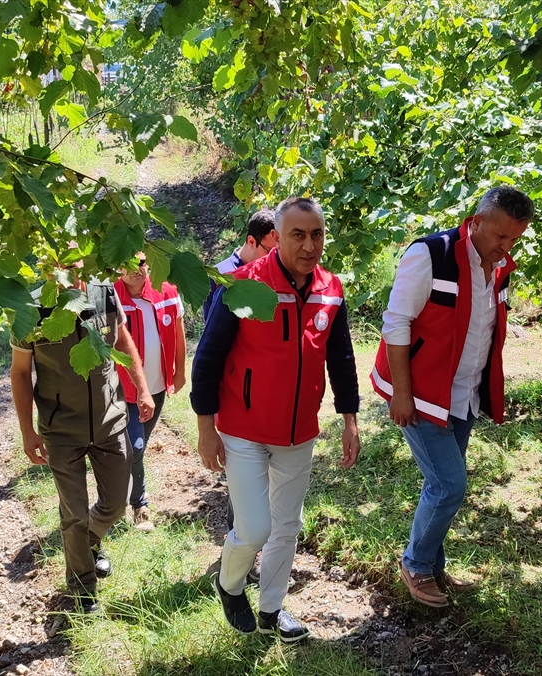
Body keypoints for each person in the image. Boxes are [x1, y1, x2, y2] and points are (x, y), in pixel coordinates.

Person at [192, 196, 361, 643]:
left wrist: (350, 417)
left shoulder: (331, 289)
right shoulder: (244, 285)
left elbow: (341, 358)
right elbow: (207, 358)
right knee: (254, 528)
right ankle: (229, 584)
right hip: (243, 428)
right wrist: (206, 428)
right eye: (298, 234)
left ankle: (271, 609)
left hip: (298, 431)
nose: (309, 245)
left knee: (287, 527)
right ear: (277, 237)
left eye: (317, 234)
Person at [371, 186, 534, 608]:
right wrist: (401, 395)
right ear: (476, 222)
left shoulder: (499, 267)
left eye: (515, 239)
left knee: (441, 482)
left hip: (463, 394)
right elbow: (396, 323)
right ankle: (416, 564)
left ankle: (433, 564)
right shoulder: (431, 254)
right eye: (500, 237)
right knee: (449, 484)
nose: (506, 247)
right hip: (421, 394)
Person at [9, 266, 155, 613]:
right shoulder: (30, 309)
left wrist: (142, 387)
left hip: (110, 420)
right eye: (60, 261)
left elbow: (121, 339)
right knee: (73, 513)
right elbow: (19, 371)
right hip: (61, 430)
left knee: (116, 504)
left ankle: (88, 543)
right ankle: (83, 591)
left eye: (76, 260)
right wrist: (27, 430)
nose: (69, 269)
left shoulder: (103, 293)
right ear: (47, 265)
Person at [114, 254, 186, 532]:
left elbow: (178, 334)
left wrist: (178, 372)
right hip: (123, 390)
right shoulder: (111, 298)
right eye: (128, 264)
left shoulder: (166, 292)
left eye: (141, 263)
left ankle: (116, 497)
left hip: (156, 388)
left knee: (136, 447)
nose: (136, 270)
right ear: (117, 268)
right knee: (136, 446)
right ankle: (138, 505)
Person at [204, 208, 279, 317]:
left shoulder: (277, 274)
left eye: (278, 252)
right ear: (251, 241)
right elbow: (212, 329)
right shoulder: (219, 275)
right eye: (269, 251)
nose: (274, 257)